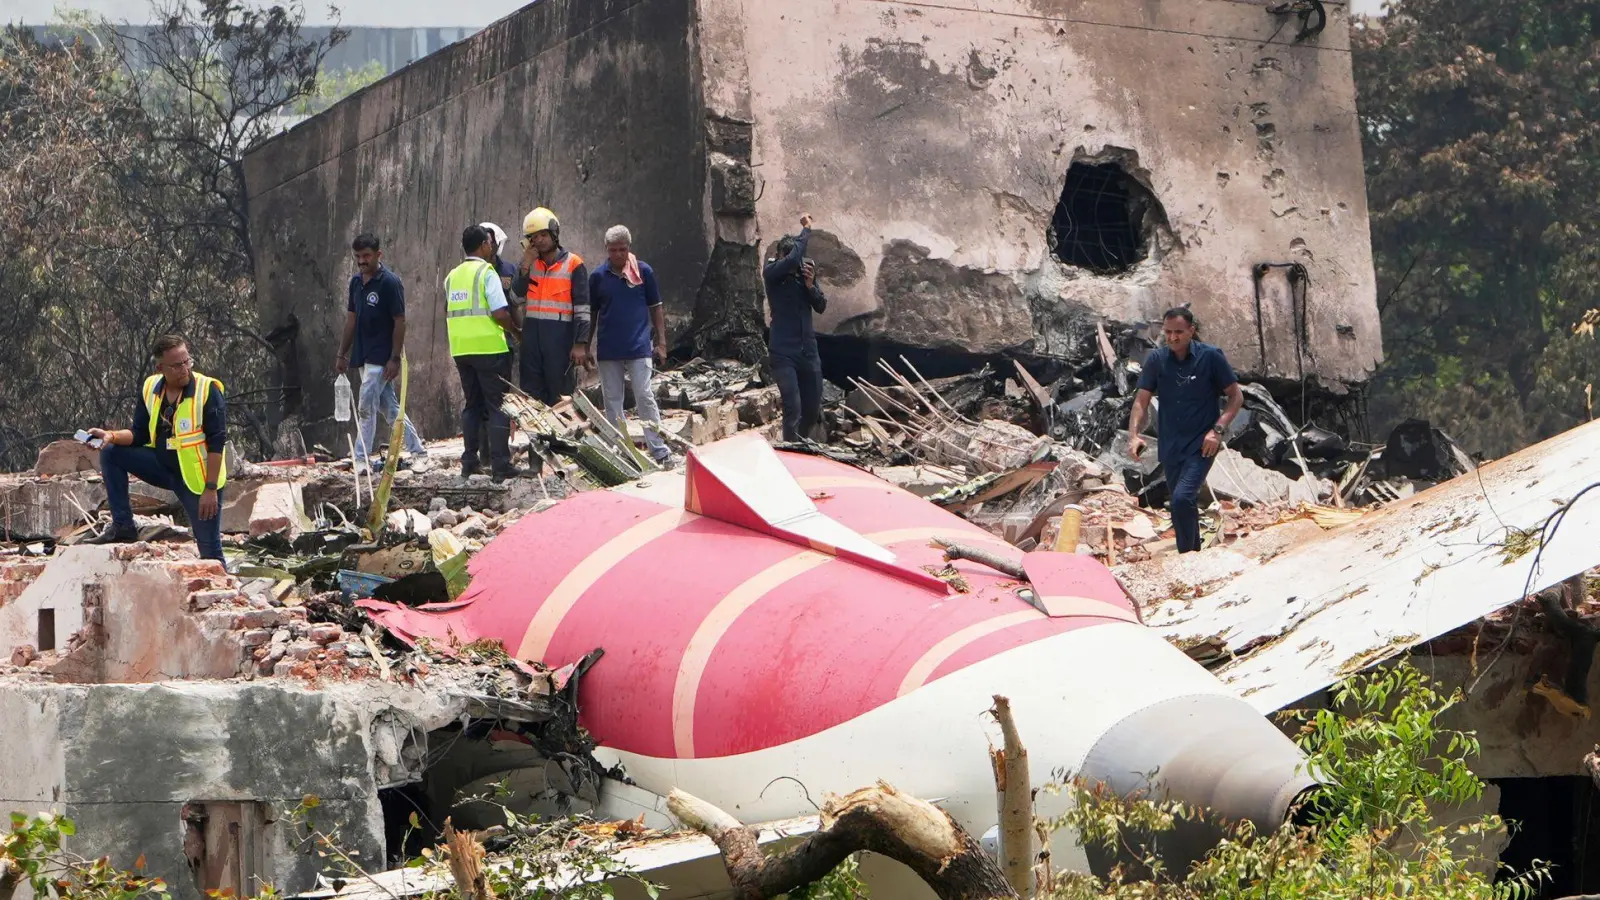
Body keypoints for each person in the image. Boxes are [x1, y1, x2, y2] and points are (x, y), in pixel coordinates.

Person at [84, 335, 228, 562]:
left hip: (197, 481)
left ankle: (224, 593)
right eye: (176, 365)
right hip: (162, 466)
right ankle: (123, 525)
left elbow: (217, 443)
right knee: (111, 452)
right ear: (161, 367)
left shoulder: (207, 390)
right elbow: (139, 434)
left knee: (210, 550)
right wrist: (110, 436)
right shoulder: (151, 388)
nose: (184, 369)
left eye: (187, 361)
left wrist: (210, 489)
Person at [1127, 308, 1244, 554]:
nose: (1172, 338)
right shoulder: (1157, 360)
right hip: (1170, 444)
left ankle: (1186, 555)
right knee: (1181, 504)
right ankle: (1194, 553)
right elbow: (1141, 400)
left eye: (1178, 332)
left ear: (1191, 331)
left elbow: (1236, 396)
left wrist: (1218, 430)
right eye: (1168, 332)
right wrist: (1134, 435)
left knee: (1182, 497)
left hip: (1202, 443)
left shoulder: (1210, 357)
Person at [334, 233, 428, 473]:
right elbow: (351, 320)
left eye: (366, 256)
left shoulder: (390, 282)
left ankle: (361, 458)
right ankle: (417, 449)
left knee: (366, 405)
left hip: (382, 356)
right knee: (389, 408)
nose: (362, 261)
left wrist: (395, 358)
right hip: (364, 355)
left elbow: (400, 321)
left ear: (378, 255)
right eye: (358, 257)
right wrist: (342, 354)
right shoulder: (356, 283)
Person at [590, 225, 671, 465]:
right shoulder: (597, 277)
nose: (617, 255)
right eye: (613, 250)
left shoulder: (643, 272)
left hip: (639, 347)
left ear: (629, 249)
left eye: (622, 250)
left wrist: (662, 343)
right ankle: (621, 451)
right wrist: (584, 345)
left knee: (645, 396)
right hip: (609, 349)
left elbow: (656, 307)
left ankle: (659, 450)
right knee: (612, 401)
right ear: (606, 250)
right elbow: (592, 313)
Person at [447, 225, 523, 481]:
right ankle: (501, 466)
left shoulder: (453, 276)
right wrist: (515, 331)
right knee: (497, 406)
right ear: (483, 245)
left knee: (472, 406)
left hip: (461, 349)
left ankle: (470, 462)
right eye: (489, 243)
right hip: (489, 348)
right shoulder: (486, 272)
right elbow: (500, 313)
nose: (492, 247)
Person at [512, 207, 591, 404]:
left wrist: (581, 344)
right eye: (533, 237)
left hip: (559, 339)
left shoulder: (574, 264)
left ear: (554, 234)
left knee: (560, 397)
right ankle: (537, 437)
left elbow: (583, 308)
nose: (539, 240)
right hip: (531, 340)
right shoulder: (528, 265)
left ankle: (561, 436)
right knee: (532, 397)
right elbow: (515, 298)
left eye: (543, 234)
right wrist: (525, 266)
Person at [763, 213, 827, 443]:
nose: (793, 264)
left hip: (807, 351)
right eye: (788, 258)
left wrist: (811, 286)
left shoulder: (803, 275)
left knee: (811, 409)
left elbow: (821, 306)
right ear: (779, 257)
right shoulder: (772, 274)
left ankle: (800, 445)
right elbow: (790, 261)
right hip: (783, 352)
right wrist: (807, 229)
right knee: (793, 408)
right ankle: (791, 453)